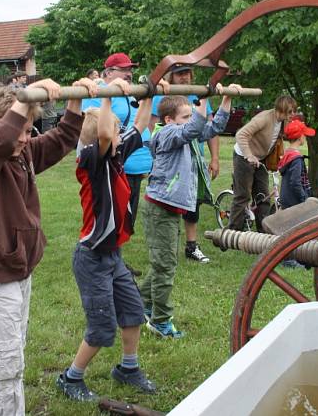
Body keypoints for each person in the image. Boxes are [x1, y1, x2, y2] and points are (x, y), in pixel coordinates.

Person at [0, 77, 96, 415]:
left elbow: (63, 137)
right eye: (20, 130)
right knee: (10, 362)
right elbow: (3, 139)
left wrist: (75, 98)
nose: (25, 138)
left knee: (5, 350)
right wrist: (27, 94)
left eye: (29, 130)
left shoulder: (25, 153)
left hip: (19, 270)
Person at [57, 77, 160, 403]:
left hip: (112, 256)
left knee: (132, 312)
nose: (120, 136)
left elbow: (141, 126)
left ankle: (128, 368)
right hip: (92, 258)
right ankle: (70, 378)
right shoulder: (90, 161)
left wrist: (149, 93)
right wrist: (104, 98)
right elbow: (103, 133)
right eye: (117, 132)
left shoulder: (115, 155)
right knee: (102, 327)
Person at [140, 88, 236, 338]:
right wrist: (203, 99)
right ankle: (160, 321)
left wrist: (225, 99)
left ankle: (140, 304)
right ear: (169, 119)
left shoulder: (184, 133)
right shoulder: (165, 134)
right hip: (160, 208)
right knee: (166, 265)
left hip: (170, 208)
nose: (190, 120)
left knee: (163, 261)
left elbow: (212, 129)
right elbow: (193, 128)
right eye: (185, 116)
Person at [150, 63, 219, 264]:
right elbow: (156, 127)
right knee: (169, 204)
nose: (185, 77)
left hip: (194, 157)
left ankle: (191, 245)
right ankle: (165, 248)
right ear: (172, 75)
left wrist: (214, 157)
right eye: (180, 73)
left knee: (192, 201)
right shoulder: (162, 96)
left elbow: (211, 127)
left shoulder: (197, 94)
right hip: (174, 158)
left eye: (187, 73)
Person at [81, 54, 151, 227]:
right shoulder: (97, 91)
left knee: (126, 221)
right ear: (109, 72)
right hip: (109, 163)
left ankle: (116, 248)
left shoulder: (130, 92)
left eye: (131, 69)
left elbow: (140, 124)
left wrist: (150, 92)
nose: (129, 73)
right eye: (124, 69)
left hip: (132, 160)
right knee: (108, 217)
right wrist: (108, 93)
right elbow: (97, 130)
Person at [228, 96, 297, 232]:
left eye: (294, 111)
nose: (293, 115)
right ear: (281, 110)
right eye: (290, 112)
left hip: (260, 159)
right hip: (244, 156)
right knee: (243, 196)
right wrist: (249, 155)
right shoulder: (264, 118)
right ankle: (233, 232)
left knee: (263, 197)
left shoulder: (282, 121)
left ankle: (263, 232)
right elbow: (241, 134)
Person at [278, 119, 315, 209]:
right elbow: (295, 182)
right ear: (300, 137)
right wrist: (304, 198)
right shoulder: (296, 159)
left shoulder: (288, 154)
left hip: (286, 199)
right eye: (304, 135)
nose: (305, 137)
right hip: (294, 202)